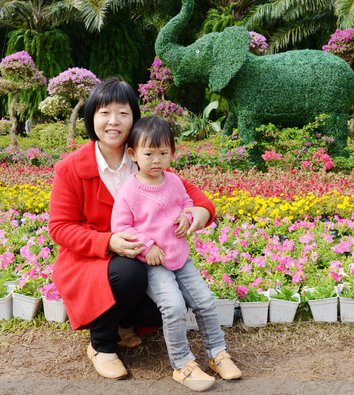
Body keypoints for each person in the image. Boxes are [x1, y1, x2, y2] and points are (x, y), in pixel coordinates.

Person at [48, 78, 215, 381]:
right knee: (129, 271)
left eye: (123, 113)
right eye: (104, 113)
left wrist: (200, 211)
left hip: (143, 255)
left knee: (172, 295)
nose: (114, 121)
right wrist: (108, 241)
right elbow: (60, 228)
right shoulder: (71, 168)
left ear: (134, 118)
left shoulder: (142, 154)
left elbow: (186, 189)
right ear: (91, 118)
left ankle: (124, 324)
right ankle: (102, 345)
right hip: (88, 260)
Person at [111, 116, 242, 392]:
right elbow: (121, 227)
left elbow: (186, 203)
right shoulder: (129, 191)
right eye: (149, 154)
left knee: (205, 301)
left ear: (172, 153)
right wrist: (148, 246)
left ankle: (218, 353)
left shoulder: (173, 181)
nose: (156, 160)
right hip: (153, 264)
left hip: (181, 258)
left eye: (163, 153)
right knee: (174, 307)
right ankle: (183, 364)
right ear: (133, 154)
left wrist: (186, 215)